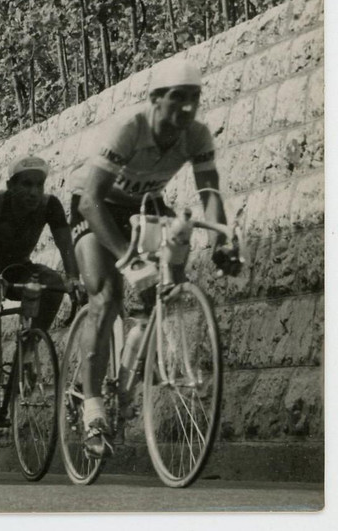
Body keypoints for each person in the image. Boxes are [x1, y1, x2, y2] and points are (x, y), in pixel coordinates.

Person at [71, 65, 241, 455]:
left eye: (194, 98)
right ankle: (92, 404)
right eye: (177, 97)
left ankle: (127, 379)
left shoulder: (196, 134)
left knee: (160, 293)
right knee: (107, 295)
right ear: (155, 99)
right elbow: (90, 201)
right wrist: (127, 258)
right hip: (95, 205)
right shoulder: (130, 128)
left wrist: (220, 238)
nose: (187, 107)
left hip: (144, 204)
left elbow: (209, 191)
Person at [0, 155, 80, 464]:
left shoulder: (49, 206)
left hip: (17, 268)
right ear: (10, 186)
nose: (33, 191)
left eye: (38, 185)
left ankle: (28, 345)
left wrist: (73, 280)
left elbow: (66, 246)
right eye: (25, 184)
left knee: (51, 282)